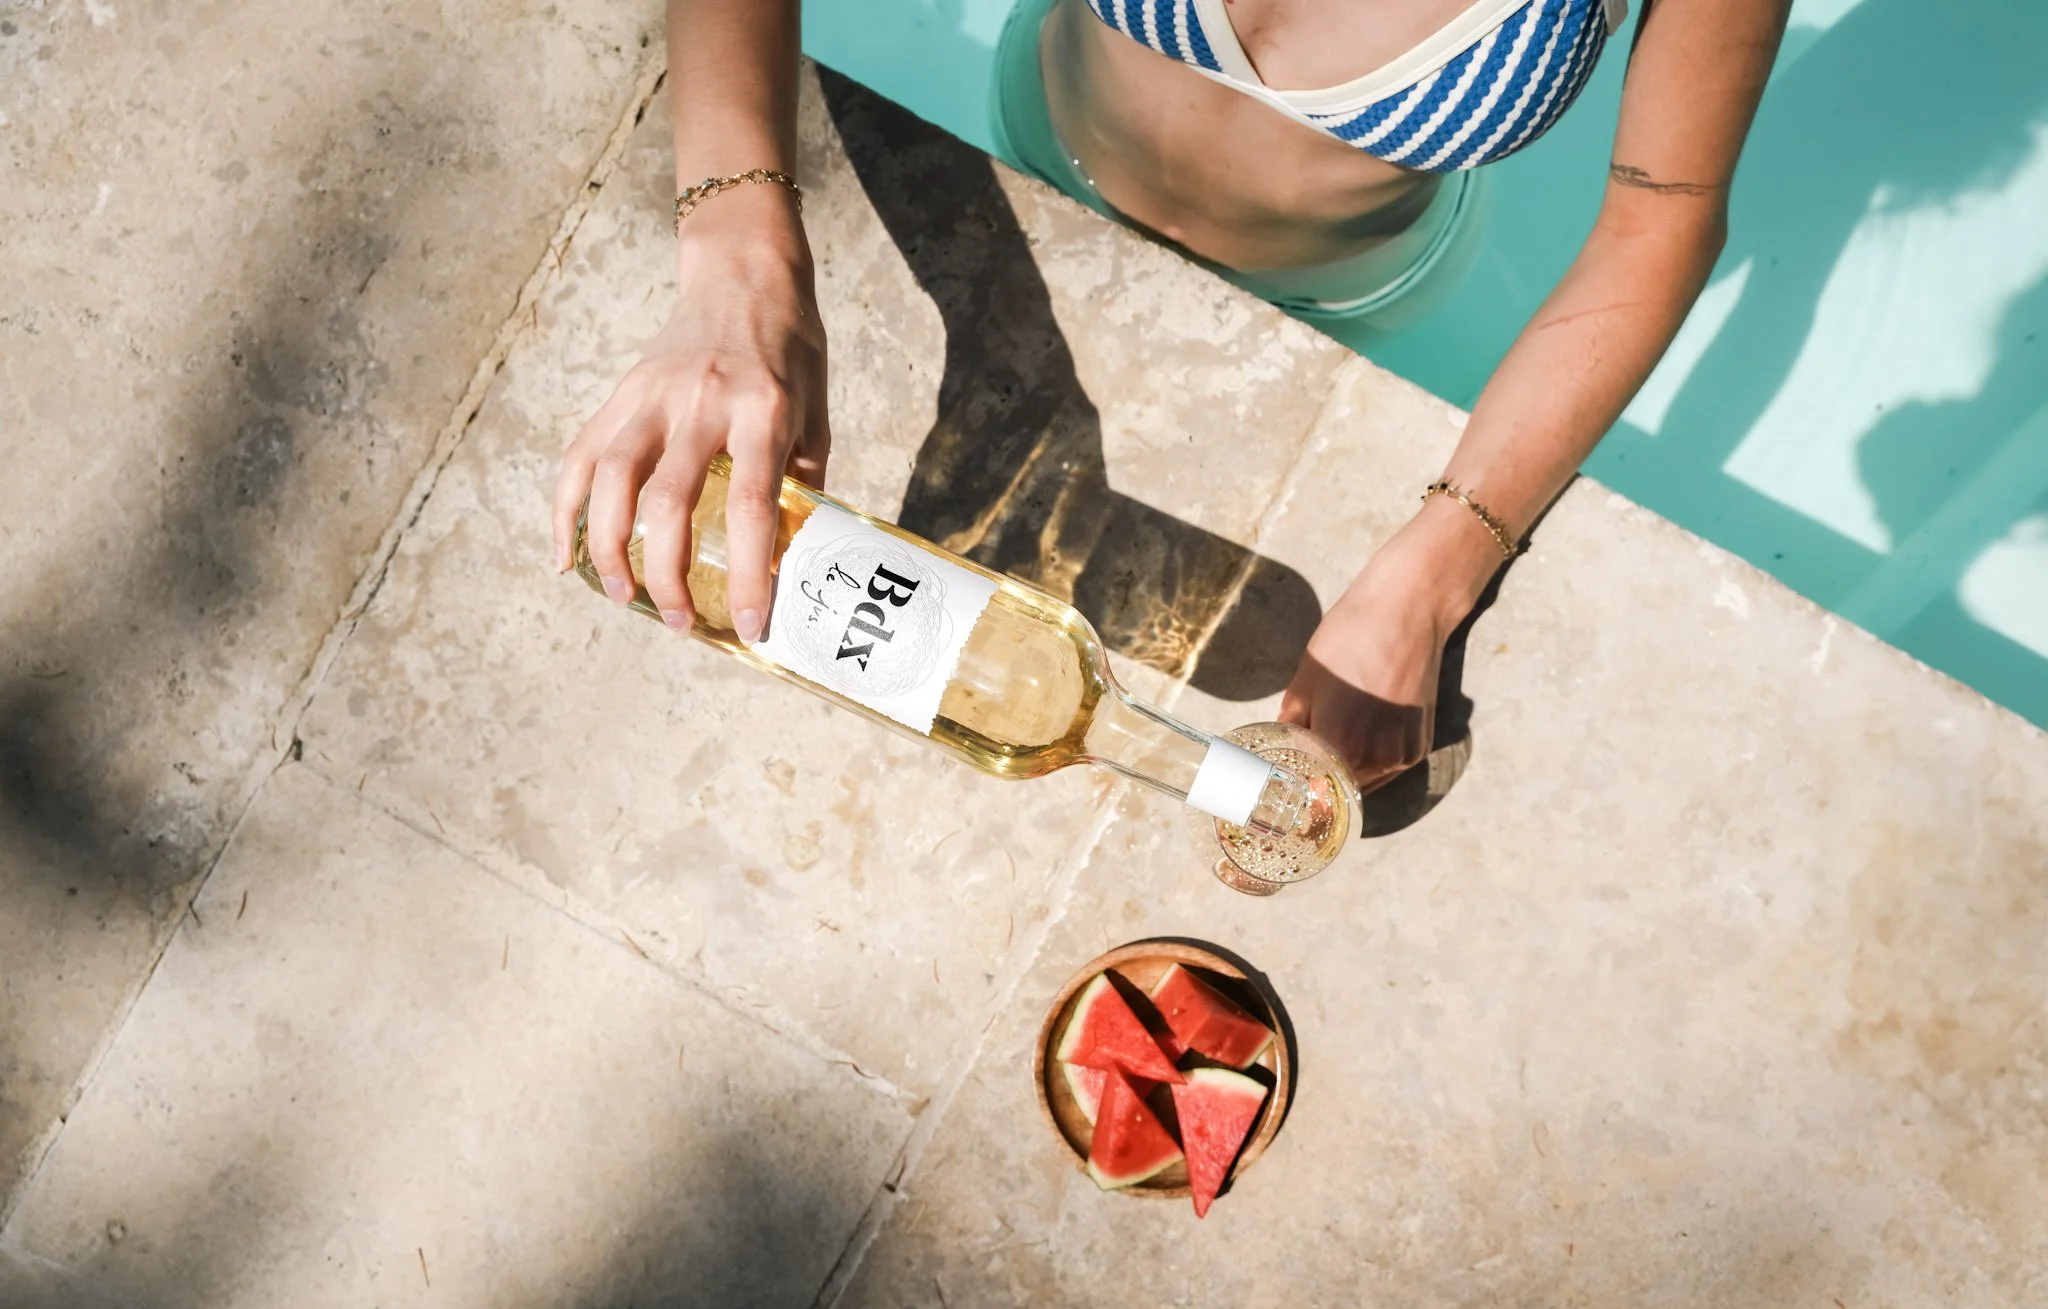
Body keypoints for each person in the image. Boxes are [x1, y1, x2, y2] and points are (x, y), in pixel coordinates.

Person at [553, 0, 1789, 791]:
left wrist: (1429, 576)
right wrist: (737, 263)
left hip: (1342, 292)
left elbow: (1658, 218)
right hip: (1038, 139)